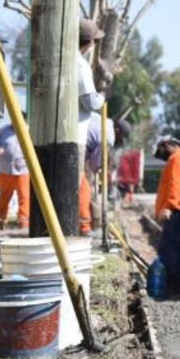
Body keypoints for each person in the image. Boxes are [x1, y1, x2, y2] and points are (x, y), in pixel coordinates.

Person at [153, 136, 180, 296]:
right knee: (177, 247)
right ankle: (176, 285)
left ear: (165, 145)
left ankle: (173, 286)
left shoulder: (177, 158)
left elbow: (176, 185)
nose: (162, 155)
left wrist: (168, 207)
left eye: (161, 151)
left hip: (176, 210)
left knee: (171, 249)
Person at [78, 19, 106, 235]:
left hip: (68, 133)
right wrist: (102, 98)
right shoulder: (80, 65)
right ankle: (81, 227)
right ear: (88, 42)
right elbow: (89, 101)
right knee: (77, 187)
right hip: (74, 135)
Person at [0, 113, 29, 228]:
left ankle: (23, 222)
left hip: (23, 170)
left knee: (25, 196)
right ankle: (0, 221)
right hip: (5, 170)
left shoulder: (28, 131)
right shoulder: (2, 131)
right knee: (4, 196)